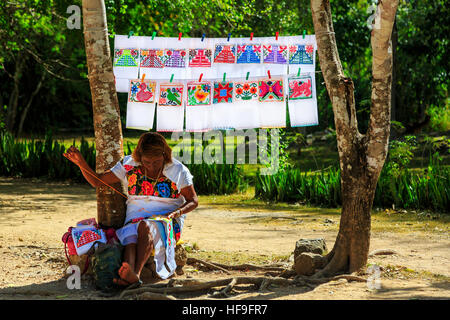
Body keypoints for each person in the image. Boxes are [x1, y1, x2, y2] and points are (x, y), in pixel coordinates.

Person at [63, 132, 198, 286]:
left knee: (145, 226)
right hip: (135, 218)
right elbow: (97, 181)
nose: (152, 166)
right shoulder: (129, 164)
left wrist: (175, 213)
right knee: (130, 235)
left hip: (167, 220)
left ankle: (136, 274)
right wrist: (80, 162)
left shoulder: (178, 170)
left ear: (165, 155)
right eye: (147, 162)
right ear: (139, 156)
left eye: (157, 161)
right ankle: (127, 275)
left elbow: (193, 201)